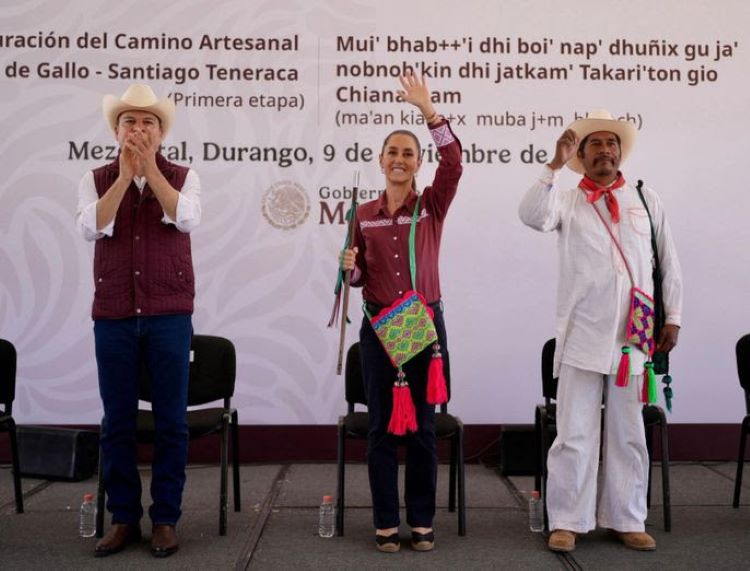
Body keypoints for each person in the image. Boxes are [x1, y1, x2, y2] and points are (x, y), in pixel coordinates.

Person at [519, 110, 683, 552]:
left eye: (612, 143)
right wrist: (553, 166)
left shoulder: (645, 199)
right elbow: (531, 216)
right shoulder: (567, 201)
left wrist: (674, 319)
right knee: (573, 432)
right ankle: (568, 520)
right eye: (595, 144)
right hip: (581, 337)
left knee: (629, 432)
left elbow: (668, 262)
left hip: (634, 338)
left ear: (619, 152)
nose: (605, 150)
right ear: (583, 155)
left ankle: (626, 517)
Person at [75, 84, 201, 558]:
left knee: (171, 421)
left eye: (149, 122)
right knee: (118, 422)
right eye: (130, 121)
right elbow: (91, 226)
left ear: (162, 132)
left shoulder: (185, 176)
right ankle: (124, 517)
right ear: (116, 130)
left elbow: (184, 218)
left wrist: (151, 171)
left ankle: (165, 518)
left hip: (170, 314)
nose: (139, 129)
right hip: (114, 316)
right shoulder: (96, 177)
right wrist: (126, 178)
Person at [339, 73, 462, 553]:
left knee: (424, 430)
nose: (399, 159)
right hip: (378, 326)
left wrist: (428, 112)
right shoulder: (362, 212)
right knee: (380, 430)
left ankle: (423, 520)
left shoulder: (431, 204)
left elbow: (453, 162)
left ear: (417, 163)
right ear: (380, 160)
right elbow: (354, 280)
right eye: (392, 152)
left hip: (423, 326)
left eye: (408, 153)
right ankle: (387, 522)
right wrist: (347, 269)